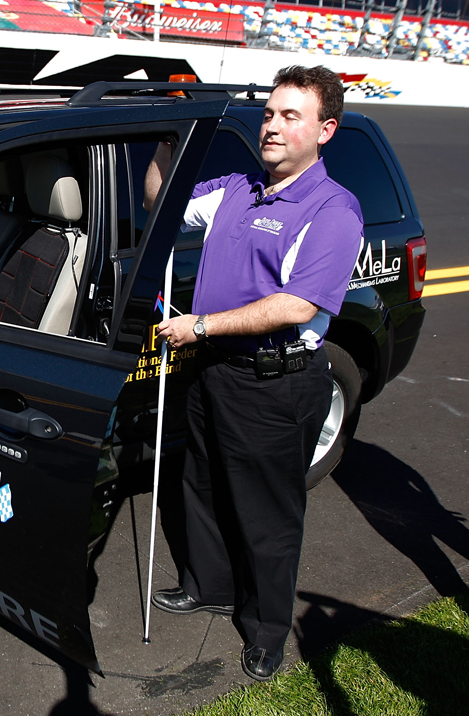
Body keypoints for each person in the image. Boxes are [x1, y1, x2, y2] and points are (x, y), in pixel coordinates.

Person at [142, 65, 364, 682]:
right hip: (216, 372)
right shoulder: (235, 189)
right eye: (269, 113)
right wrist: (170, 134)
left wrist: (203, 326)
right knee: (203, 488)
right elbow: (160, 202)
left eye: (290, 115)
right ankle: (208, 587)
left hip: (276, 382)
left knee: (267, 516)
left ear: (325, 130)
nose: (272, 125)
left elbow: (298, 305)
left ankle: (267, 631)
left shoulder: (332, 210)